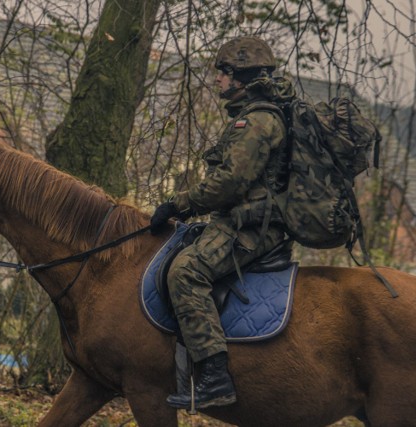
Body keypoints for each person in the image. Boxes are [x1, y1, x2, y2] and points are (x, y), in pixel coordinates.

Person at [150, 36, 296, 409]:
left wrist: (177, 205)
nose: (217, 80)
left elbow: (228, 185)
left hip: (250, 229)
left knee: (185, 272)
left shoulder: (257, 121)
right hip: (243, 221)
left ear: (240, 77)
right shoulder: (256, 116)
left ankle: (215, 378)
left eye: (223, 72)